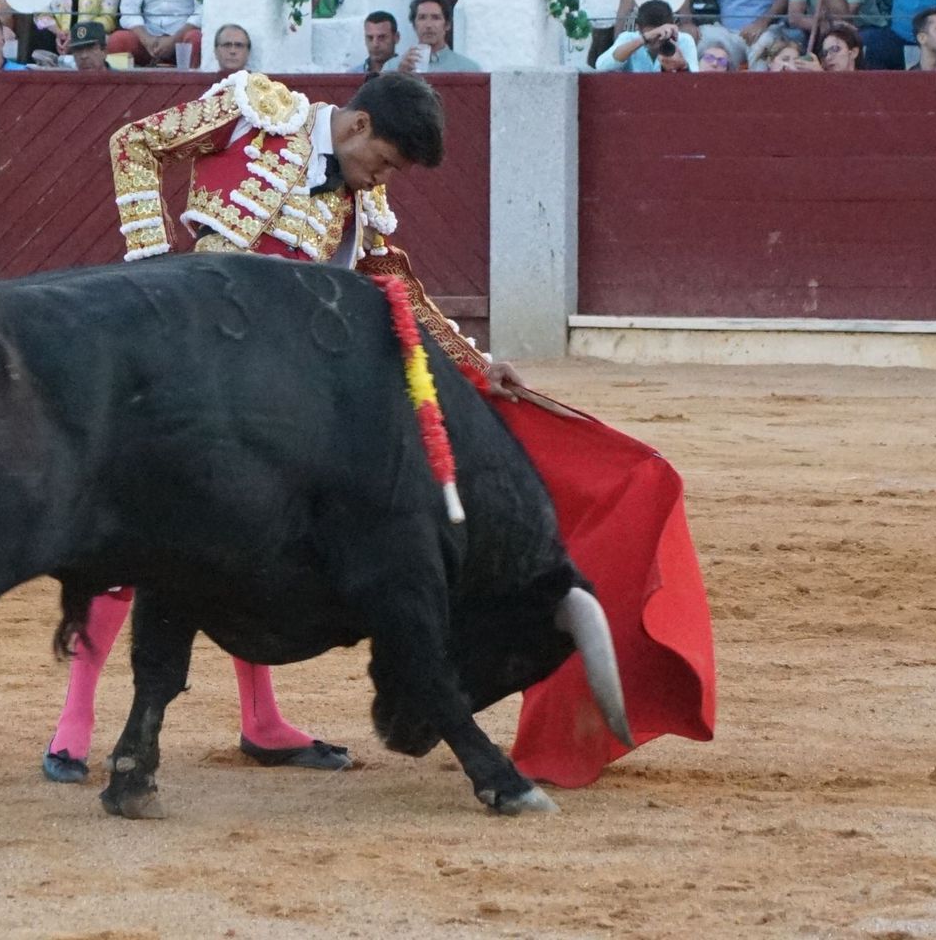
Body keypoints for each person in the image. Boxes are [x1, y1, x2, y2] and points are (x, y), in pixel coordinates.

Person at [44, 70, 718, 790]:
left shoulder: (364, 195)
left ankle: (261, 722)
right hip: (191, 373)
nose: (383, 179)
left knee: (253, 545)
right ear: (359, 126)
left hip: (279, 400)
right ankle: (74, 723)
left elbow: (393, 284)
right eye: (387, 161)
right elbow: (134, 144)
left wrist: (474, 361)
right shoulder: (254, 115)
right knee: (144, 544)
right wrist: (153, 277)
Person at [595, 0, 701, 71]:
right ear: (638, 28)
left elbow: (695, 80)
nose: (656, 41)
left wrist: (683, 66)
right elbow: (601, 66)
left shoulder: (684, 40)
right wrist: (644, 39)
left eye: (660, 35)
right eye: (652, 35)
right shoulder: (628, 38)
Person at [396, 0, 480, 71]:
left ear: (447, 25)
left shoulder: (467, 69)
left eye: (435, 18)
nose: (428, 25)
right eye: (422, 18)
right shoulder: (393, 67)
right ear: (414, 25)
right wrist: (399, 76)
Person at [359, 8, 398, 72]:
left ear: (396, 37)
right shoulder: (352, 75)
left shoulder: (409, 73)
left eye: (381, 37)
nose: (375, 44)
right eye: (370, 38)